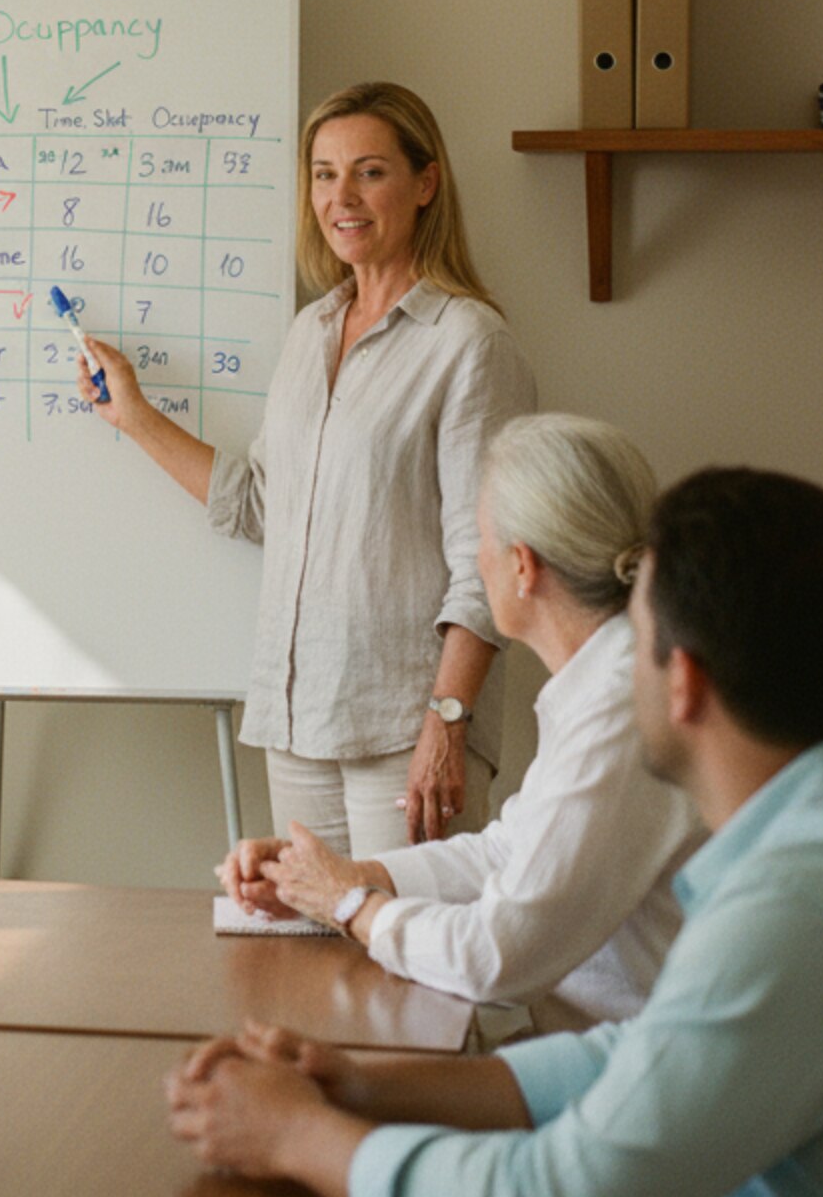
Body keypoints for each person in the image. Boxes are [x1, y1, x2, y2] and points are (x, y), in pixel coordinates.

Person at [167, 467, 823, 1197]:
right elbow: (640, 1056)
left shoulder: (798, 911)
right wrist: (364, 1088)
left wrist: (297, 1138)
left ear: (683, 684)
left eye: (639, 642)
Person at [81, 80, 535, 856]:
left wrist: (446, 724)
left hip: (405, 726)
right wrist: (135, 417)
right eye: (324, 174)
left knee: (407, 964)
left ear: (426, 184)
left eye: (369, 171)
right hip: (295, 724)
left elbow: (488, 562)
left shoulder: (467, 342)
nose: (342, 197)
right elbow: (262, 504)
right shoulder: (310, 330)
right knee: (313, 969)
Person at [220, 413, 705, 1031]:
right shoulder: (605, 679)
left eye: (480, 540)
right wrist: (343, 876)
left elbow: (496, 957)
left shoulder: (621, 705)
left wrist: (345, 903)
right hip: (603, 1049)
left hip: (638, 1067)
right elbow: (508, 851)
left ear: (523, 567)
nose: (474, 562)